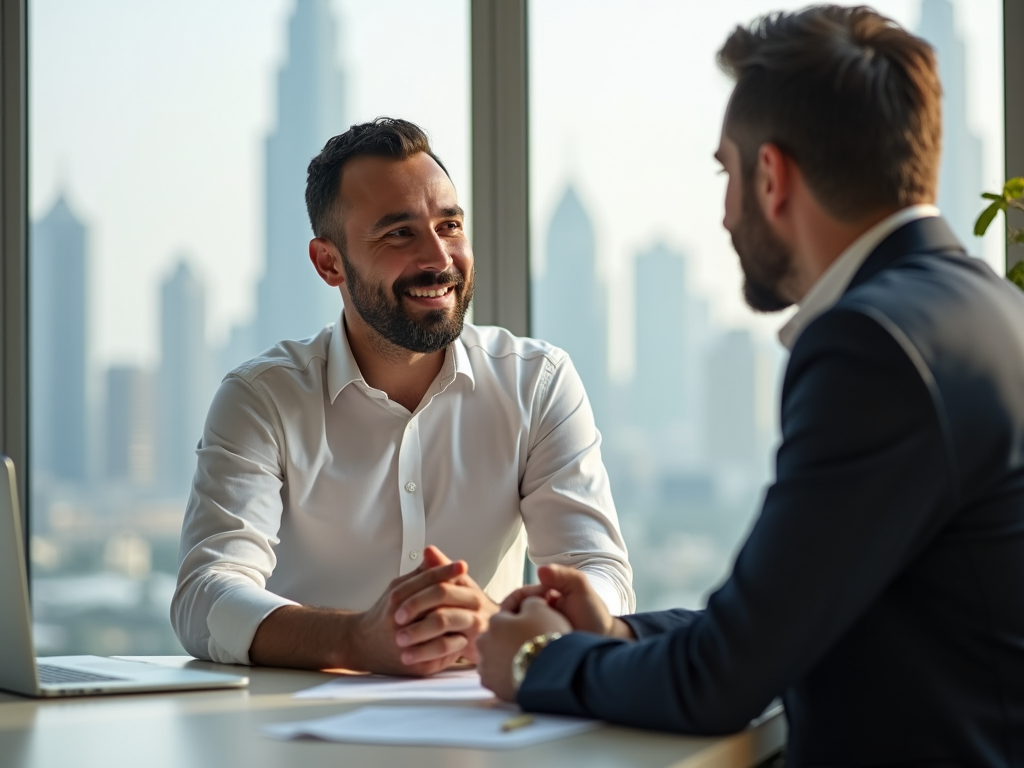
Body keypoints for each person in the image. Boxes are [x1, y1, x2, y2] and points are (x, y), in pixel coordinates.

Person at [477, 6, 1024, 763]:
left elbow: (721, 679)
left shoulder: (871, 346)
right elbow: (786, 611)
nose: (725, 212)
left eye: (725, 173)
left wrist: (539, 663)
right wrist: (619, 631)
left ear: (772, 177)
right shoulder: (993, 309)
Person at [171, 118, 634, 675]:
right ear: (329, 263)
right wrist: (352, 640)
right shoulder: (261, 398)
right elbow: (205, 595)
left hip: (487, 733)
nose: (439, 258)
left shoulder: (537, 382)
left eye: (450, 225)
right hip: (302, 738)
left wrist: (504, 621)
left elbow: (600, 575)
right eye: (399, 233)